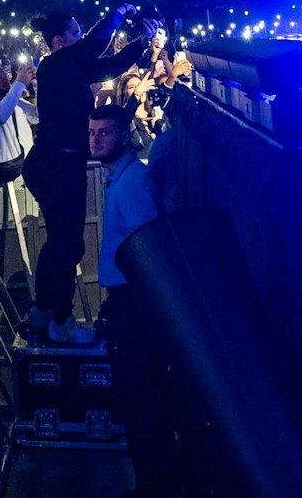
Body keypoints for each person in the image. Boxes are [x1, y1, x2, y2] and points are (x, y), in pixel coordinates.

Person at [21, 8, 144, 344]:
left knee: (61, 242)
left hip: (60, 165)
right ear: (60, 41)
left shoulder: (70, 68)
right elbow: (94, 45)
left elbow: (110, 65)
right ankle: (60, 319)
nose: (80, 39)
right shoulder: (55, 64)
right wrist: (117, 14)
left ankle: (42, 310)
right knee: (68, 243)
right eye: (75, 33)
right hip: (56, 166)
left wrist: (142, 42)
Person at [90, 103, 181, 497]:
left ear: (124, 136)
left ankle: (155, 486)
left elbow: (149, 248)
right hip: (127, 302)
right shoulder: (121, 179)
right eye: (92, 133)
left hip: (134, 305)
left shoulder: (133, 184)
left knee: (143, 401)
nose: (95, 140)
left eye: (104, 133)